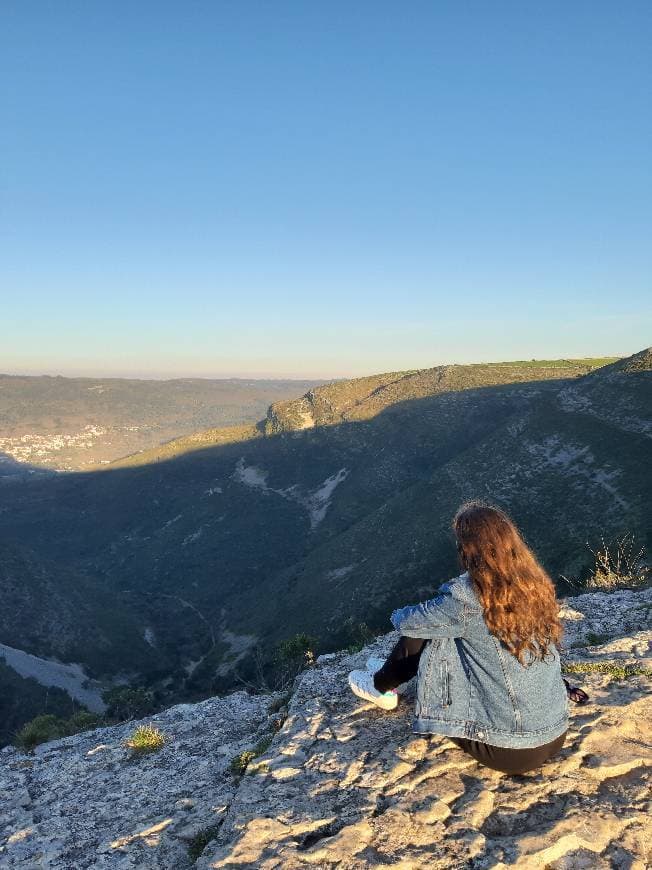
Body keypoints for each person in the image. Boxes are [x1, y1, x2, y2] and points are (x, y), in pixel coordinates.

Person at [348, 501, 588, 775]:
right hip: (554, 734)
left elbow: (406, 621)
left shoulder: (468, 599)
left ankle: (380, 687)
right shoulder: (533, 583)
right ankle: (388, 677)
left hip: (510, 750)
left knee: (429, 628)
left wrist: (414, 610)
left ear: (468, 550)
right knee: (446, 627)